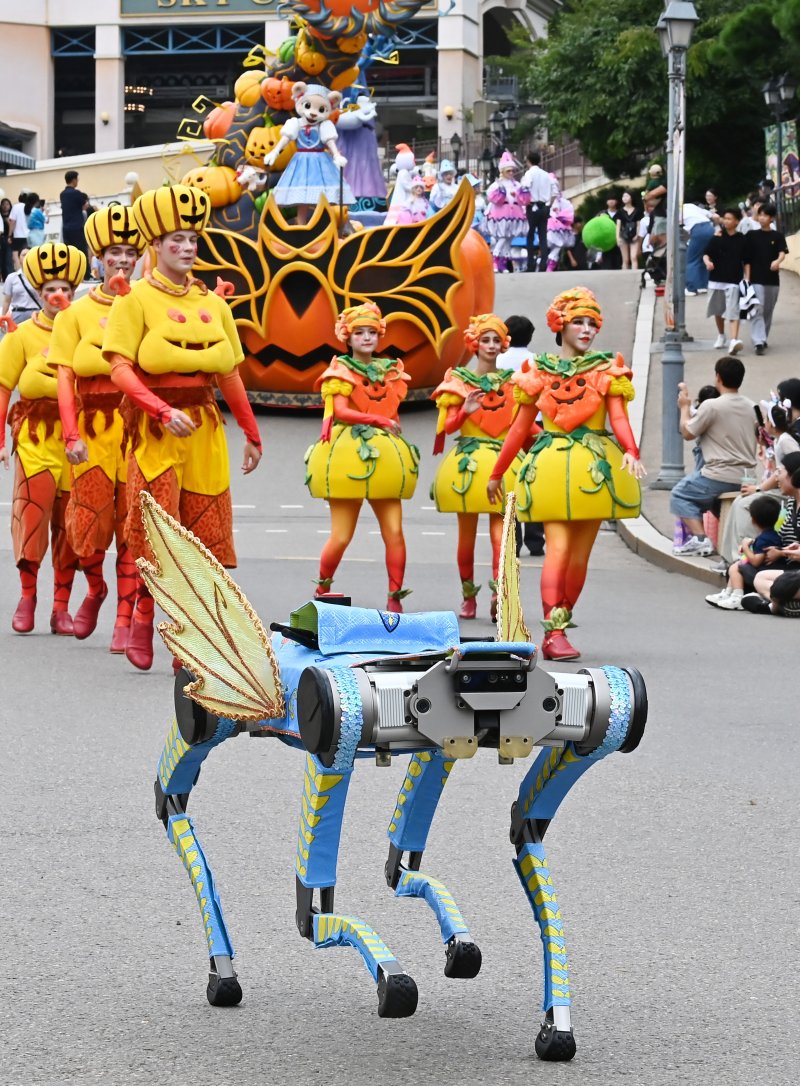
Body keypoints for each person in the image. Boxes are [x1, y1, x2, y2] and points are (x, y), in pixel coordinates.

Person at [102, 184, 263, 670]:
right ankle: (143, 618)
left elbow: (229, 373)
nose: (187, 247)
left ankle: (191, 636)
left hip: (206, 430)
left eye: (192, 238)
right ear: (155, 244)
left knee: (204, 536)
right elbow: (119, 368)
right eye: (176, 239)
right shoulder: (135, 301)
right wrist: (157, 410)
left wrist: (253, 433)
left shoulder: (214, 305)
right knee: (158, 530)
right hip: (155, 431)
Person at [487, 287, 645, 660]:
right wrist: (498, 471)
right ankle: (553, 632)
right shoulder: (538, 372)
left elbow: (619, 417)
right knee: (557, 548)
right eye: (579, 322)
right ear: (561, 325)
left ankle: (562, 618)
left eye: (592, 323)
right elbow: (519, 427)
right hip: (552, 467)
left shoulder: (608, 371)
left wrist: (632, 449)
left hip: (595, 471)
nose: (587, 329)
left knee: (579, 557)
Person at [50, 206, 146, 653]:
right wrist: (71, 435)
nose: (122, 261)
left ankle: (125, 620)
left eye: (130, 252)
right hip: (90, 429)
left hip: (135, 430)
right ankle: (95, 588)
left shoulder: (147, 305)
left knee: (131, 525)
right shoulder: (74, 314)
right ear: (98, 258)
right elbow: (65, 379)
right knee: (85, 525)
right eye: (113, 253)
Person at [305, 302, 417, 612]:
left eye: (371, 332)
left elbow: (391, 411)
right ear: (348, 337)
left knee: (394, 531)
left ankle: (395, 598)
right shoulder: (339, 371)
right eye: (359, 333)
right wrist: (379, 421)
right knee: (341, 535)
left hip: (384, 458)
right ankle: (322, 587)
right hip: (347, 455)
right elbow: (340, 411)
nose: (366, 338)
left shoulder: (390, 371)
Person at [0, 243, 87, 634]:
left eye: (67, 289)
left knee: (69, 526)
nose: (60, 296)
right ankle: (28, 595)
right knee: (32, 517)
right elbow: (3, 387)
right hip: (36, 439)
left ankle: (61, 607)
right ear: (38, 292)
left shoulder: (86, 332)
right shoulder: (20, 338)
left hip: (78, 443)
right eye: (52, 288)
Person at [431, 314, 528, 620]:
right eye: (484, 339)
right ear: (474, 344)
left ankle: (499, 594)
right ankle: (468, 595)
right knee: (466, 537)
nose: (490, 345)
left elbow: (521, 426)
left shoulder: (514, 384)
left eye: (495, 340)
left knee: (502, 535)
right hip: (468, 467)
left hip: (504, 464)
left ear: (503, 345)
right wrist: (464, 411)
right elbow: (446, 428)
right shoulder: (457, 382)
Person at [671, 357, 757, 557]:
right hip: (747, 477)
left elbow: (687, 432)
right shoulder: (753, 406)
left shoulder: (712, 405)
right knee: (715, 505)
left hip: (718, 475)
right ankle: (731, 549)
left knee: (679, 495)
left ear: (718, 377)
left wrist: (684, 407)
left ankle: (701, 540)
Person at [262, 82, 353, 226]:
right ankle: (301, 225)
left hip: (321, 162)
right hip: (301, 162)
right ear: (299, 101)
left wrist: (336, 155)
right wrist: (274, 152)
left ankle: (323, 224)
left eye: (321, 109)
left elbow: (330, 142)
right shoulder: (295, 124)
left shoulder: (324, 126)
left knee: (323, 196)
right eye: (308, 106)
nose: (313, 112)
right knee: (302, 197)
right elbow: (285, 140)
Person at [497, 315, 545, 558]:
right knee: (533, 482)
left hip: (507, 426)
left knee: (510, 484)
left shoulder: (498, 360)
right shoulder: (536, 361)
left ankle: (512, 541)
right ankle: (536, 540)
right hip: (534, 426)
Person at [704, 494, 782, 609]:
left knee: (737, 566)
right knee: (736, 565)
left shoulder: (765, 539)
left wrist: (745, 547)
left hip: (762, 573)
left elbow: (756, 561)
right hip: (765, 571)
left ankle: (737, 596)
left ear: (753, 520)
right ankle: (728, 592)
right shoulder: (769, 536)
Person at [742, 202, 787, 355]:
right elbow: (746, 258)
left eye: (765, 215)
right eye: (760, 215)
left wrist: (777, 261)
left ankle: (762, 337)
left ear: (771, 218)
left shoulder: (777, 236)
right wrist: (747, 277)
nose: (761, 218)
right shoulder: (751, 236)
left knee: (768, 310)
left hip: (772, 279)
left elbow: (782, 252)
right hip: (756, 278)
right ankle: (758, 341)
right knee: (758, 308)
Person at [703, 207, 745, 354]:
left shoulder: (742, 239)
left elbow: (747, 261)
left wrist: (747, 279)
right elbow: (706, 254)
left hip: (734, 280)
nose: (726, 221)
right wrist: (707, 262)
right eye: (725, 218)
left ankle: (734, 340)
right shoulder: (717, 237)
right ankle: (721, 335)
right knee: (718, 310)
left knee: (733, 310)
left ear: (737, 221)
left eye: (729, 218)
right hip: (716, 279)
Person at [484, 151, 529, 273]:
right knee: (503, 237)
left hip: (514, 215)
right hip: (501, 215)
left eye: (512, 171)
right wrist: (502, 193)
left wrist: (522, 193)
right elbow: (492, 197)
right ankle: (495, 260)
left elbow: (524, 200)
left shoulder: (517, 184)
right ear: (502, 171)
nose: (511, 173)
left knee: (509, 239)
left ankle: (503, 264)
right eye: (508, 171)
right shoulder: (497, 184)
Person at [521, 151, 553, 272]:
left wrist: (524, 198)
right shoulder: (546, 174)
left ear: (528, 161)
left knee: (530, 236)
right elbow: (553, 190)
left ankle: (531, 264)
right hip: (544, 206)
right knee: (542, 236)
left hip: (532, 205)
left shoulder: (529, 173)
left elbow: (525, 187)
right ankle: (543, 264)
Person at [682, 200, 715, 295]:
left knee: (691, 259)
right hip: (709, 227)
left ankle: (691, 288)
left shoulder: (676, 209)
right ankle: (702, 285)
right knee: (703, 256)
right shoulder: (690, 205)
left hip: (698, 229)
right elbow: (710, 214)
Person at [1, 248, 40, 324]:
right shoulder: (11, 277)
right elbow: (6, 301)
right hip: (18, 315)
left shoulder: (40, 276)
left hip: (37, 314)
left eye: (29, 254)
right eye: (23, 255)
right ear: (19, 258)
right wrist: (3, 317)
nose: (26, 257)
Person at [59, 172, 90, 264]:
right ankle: (86, 274)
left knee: (69, 252)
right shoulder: (76, 193)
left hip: (66, 227)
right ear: (73, 180)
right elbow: (84, 206)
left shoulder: (62, 194)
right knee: (82, 250)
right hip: (77, 226)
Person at [544, 186, 575, 272]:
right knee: (555, 245)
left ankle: (550, 265)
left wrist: (561, 216)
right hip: (550, 227)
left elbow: (569, 212)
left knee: (558, 246)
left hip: (561, 227)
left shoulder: (564, 202)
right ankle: (549, 264)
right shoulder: (545, 200)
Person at [616, 190, 642, 270]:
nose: (624, 198)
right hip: (623, 235)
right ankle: (624, 276)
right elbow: (618, 225)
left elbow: (639, 224)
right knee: (625, 259)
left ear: (631, 198)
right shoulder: (620, 211)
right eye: (623, 196)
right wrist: (617, 238)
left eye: (627, 196)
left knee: (633, 257)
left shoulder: (637, 211)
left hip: (634, 235)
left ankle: (635, 275)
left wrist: (637, 235)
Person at [644, 164, 667, 249]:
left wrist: (645, 197)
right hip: (658, 214)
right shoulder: (663, 181)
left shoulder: (653, 183)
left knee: (662, 242)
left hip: (662, 216)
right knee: (654, 240)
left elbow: (649, 195)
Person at [7, 192, 30, 271]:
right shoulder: (30, 207)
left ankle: (19, 273)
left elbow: (12, 221)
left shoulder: (16, 207)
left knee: (15, 255)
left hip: (18, 235)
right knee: (28, 254)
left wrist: (10, 235)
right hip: (29, 235)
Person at [1, 197, 15, 279]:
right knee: (2, 259)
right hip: (1, 238)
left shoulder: (11, 216)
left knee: (8, 259)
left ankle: (10, 277)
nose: (5, 206)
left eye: (7, 204)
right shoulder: (0, 217)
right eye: (3, 204)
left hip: (8, 238)